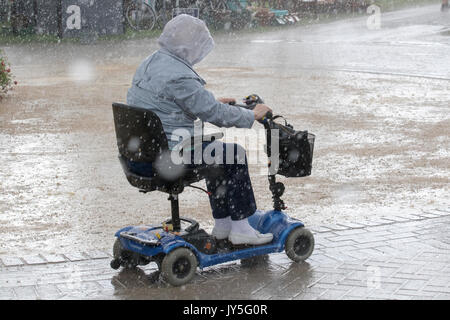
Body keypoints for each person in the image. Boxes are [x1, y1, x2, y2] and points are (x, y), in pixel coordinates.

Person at [126, 14, 273, 245]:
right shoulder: (180, 75)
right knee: (234, 154)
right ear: (190, 46)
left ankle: (224, 225)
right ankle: (241, 228)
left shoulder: (152, 62)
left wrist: (212, 102)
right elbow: (213, 113)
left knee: (216, 155)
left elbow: (170, 104)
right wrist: (251, 114)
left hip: (143, 154)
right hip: (169, 156)